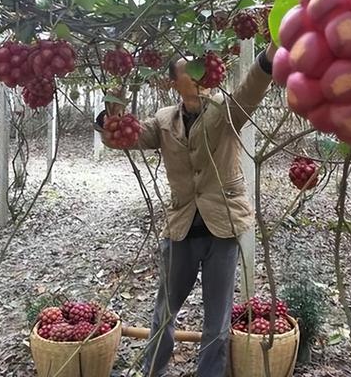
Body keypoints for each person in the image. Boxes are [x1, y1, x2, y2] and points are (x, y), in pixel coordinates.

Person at [95, 43, 276, 377]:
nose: (198, 73)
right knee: (164, 312)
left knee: (216, 319)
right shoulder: (165, 120)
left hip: (223, 227)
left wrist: (268, 57)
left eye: (199, 69)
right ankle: (153, 370)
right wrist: (108, 122)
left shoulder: (225, 110)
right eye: (188, 70)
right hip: (180, 229)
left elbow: (251, 90)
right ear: (174, 82)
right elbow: (127, 137)